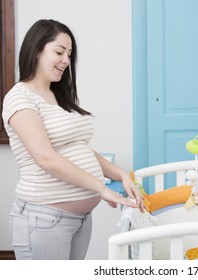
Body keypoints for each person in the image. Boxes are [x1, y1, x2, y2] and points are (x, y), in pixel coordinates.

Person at [1, 19, 144, 260]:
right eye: (59, 52)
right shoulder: (19, 97)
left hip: (78, 220)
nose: (66, 60)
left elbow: (80, 149)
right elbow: (46, 158)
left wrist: (120, 174)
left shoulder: (58, 96)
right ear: (36, 50)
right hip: (43, 217)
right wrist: (100, 188)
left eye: (69, 54)